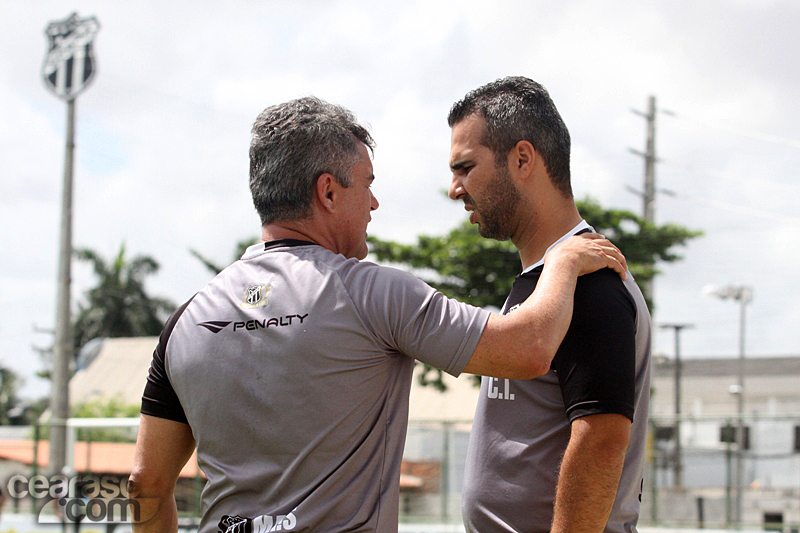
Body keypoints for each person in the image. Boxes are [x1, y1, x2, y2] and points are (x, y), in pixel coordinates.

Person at [128, 96, 628, 533]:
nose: (374, 203)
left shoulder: (186, 322)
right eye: (365, 185)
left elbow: (146, 484)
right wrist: (563, 261)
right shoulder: (371, 294)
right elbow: (528, 348)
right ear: (327, 192)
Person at [451, 76, 652, 533]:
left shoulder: (590, 279)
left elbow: (602, 440)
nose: (455, 189)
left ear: (522, 159)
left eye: (465, 167)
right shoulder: (551, 275)